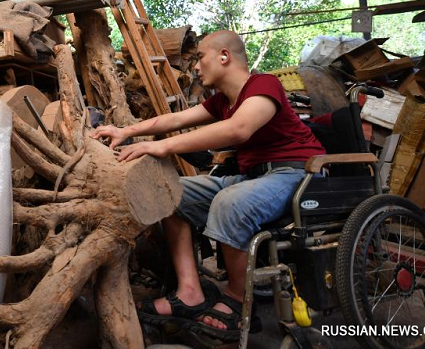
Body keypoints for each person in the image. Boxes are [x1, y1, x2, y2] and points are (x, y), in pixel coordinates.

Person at [91, 30, 324, 341]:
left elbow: (239, 129)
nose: (196, 67)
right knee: (171, 193)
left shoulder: (264, 84)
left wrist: (162, 146)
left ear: (224, 56)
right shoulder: (222, 101)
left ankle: (237, 299)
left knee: (230, 201)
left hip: (296, 174)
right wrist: (125, 131)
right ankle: (189, 292)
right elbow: (174, 120)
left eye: (200, 58)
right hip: (254, 176)